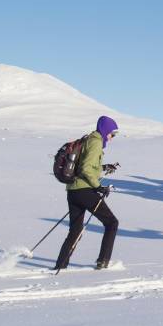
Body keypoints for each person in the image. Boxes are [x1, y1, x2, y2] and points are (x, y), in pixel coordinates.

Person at [54, 116, 120, 270]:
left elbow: (86, 165)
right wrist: (98, 187)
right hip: (84, 191)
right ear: (105, 130)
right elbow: (86, 169)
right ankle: (103, 262)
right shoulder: (96, 142)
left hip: (73, 191)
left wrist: (104, 168)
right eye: (112, 134)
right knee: (112, 223)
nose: (112, 138)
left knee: (75, 230)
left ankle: (61, 265)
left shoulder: (88, 139)